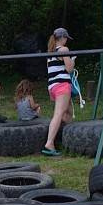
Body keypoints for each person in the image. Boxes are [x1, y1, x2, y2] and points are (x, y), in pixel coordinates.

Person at [42, 28, 75, 156]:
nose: (67, 41)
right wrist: (72, 60)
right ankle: (49, 143)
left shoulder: (50, 53)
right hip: (62, 85)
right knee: (59, 114)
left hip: (53, 86)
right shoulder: (64, 50)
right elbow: (69, 69)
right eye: (66, 38)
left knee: (68, 113)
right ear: (62, 38)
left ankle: (64, 140)